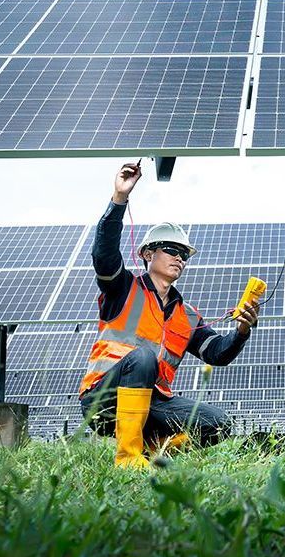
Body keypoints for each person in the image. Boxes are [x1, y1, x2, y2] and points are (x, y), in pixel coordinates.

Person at [79, 161, 259, 468]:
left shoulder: (186, 315)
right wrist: (119, 199)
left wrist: (242, 331)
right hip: (103, 398)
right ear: (149, 254)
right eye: (171, 250)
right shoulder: (124, 289)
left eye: (184, 254)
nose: (179, 258)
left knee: (218, 423)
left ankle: (153, 455)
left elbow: (217, 353)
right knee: (143, 357)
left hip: (151, 402)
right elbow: (104, 255)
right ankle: (128, 459)